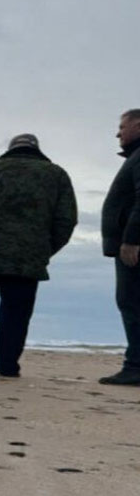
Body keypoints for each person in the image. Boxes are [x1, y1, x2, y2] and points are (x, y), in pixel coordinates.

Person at [0, 134, 77, 377]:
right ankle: (8, 365)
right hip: (28, 258)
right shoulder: (57, 175)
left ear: (11, 148)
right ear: (37, 150)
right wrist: (44, 250)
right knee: (16, 314)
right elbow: (66, 221)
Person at [100, 110, 140, 385]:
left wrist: (132, 239)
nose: (118, 133)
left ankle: (135, 366)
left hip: (134, 245)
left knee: (132, 303)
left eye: (122, 127)